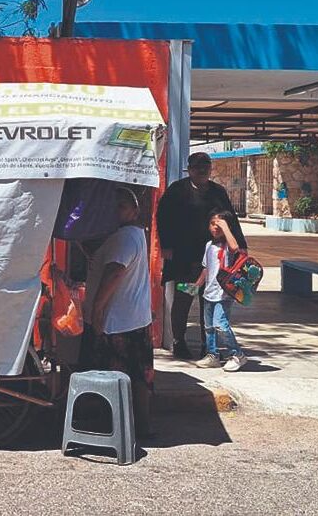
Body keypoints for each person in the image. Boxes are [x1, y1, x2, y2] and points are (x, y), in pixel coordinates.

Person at [83, 186, 154, 436]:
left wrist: (97, 309)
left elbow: (115, 272)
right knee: (137, 377)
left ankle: (117, 429)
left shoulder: (124, 237)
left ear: (134, 211)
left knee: (116, 378)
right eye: (111, 207)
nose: (115, 211)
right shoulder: (132, 235)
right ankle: (139, 428)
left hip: (117, 322)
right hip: (133, 318)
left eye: (121, 206)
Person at [156, 151, 241, 359]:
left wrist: (241, 246)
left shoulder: (218, 192)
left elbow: (231, 219)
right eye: (197, 167)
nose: (202, 170)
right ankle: (179, 341)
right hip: (184, 258)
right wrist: (166, 246)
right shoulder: (177, 190)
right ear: (190, 169)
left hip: (212, 259)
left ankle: (208, 345)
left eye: (206, 166)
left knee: (209, 301)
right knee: (184, 299)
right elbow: (162, 217)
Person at [194, 209, 250, 372]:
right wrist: (197, 285)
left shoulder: (228, 247)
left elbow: (235, 247)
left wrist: (225, 227)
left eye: (219, 225)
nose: (215, 228)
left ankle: (237, 354)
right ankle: (213, 355)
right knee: (209, 326)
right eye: (212, 224)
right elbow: (206, 268)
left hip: (223, 294)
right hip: (209, 293)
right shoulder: (209, 246)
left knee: (221, 325)